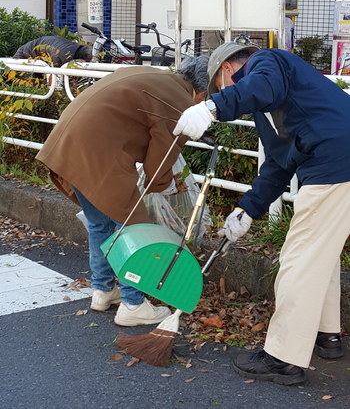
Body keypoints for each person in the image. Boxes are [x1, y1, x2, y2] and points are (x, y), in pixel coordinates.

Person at [173, 42, 350, 385]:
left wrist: (212, 108)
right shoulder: (271, 102)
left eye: (221, 87)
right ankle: (326, 335)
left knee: (299, 258)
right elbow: (278, 166)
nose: (226, 93)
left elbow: (259, 86)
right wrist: (246, 210)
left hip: (334, 163)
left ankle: (283, 358)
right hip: (337, 161)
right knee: (319, 254)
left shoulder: (265, 63)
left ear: (227, 70)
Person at [36, 57, 209, 326]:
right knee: (134, 227)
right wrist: (169, 185)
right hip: (100, 154)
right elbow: (160, 160)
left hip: (70, 143)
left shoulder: (157, 76)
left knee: (99, 224)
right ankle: (133, 303)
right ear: (202, 93)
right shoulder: (182, 102)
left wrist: (163, 178)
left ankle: (103, 290)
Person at [13, 36, 92, 67]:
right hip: (23, 57)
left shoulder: (73, 49)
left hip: (34, 56)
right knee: (32, 87)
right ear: (83, 60)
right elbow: (56, 76)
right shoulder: (62, 55)